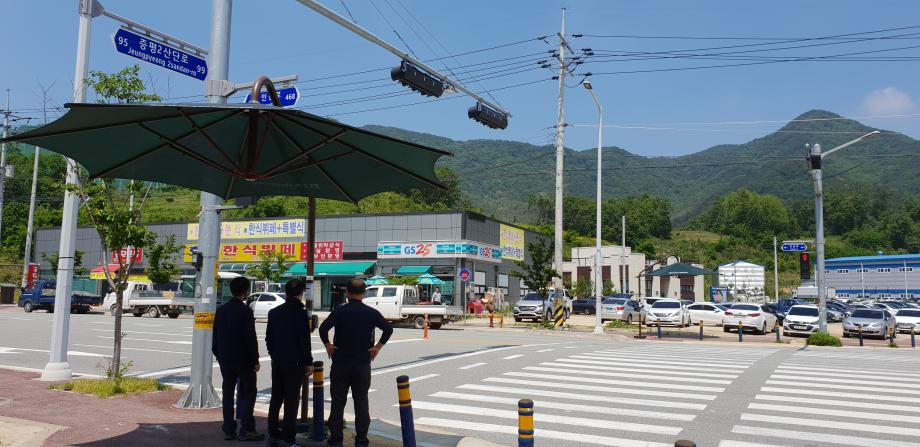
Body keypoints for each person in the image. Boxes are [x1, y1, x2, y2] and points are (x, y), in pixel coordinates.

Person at [320, 278, 393, 447]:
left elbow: (323, 328)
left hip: (340, 363)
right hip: (361, 364)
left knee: (338, 403)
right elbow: (388, 329)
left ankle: (336, 439)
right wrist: (377, 347)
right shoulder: (371, 312)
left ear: (347, 292)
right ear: (364, 293)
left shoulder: (340, 311)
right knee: (361, 402)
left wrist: (328, 345)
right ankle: (361, 440)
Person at [212, 276, 264, 442]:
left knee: (228, 393)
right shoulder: (245, 312)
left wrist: (219, 355)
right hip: (243, 360)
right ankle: (247, 429)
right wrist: (255, 360)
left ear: (231, 290)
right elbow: (250, 338)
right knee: (249, 391)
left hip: (225, 359)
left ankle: (229, 429)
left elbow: (215, 338)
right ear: (245, 291)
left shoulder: (221, 311)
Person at [266, 279, 312, 446]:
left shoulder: (275, 312)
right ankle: (288, 437)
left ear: (286, 292)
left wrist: (273, 354)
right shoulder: (300, 313)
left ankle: (273, 432)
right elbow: (304, 340)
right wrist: (309, 361)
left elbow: (268, 338)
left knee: (276, 397)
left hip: (278, 361)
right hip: (295, 363)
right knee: (291, 400)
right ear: (301, 293)